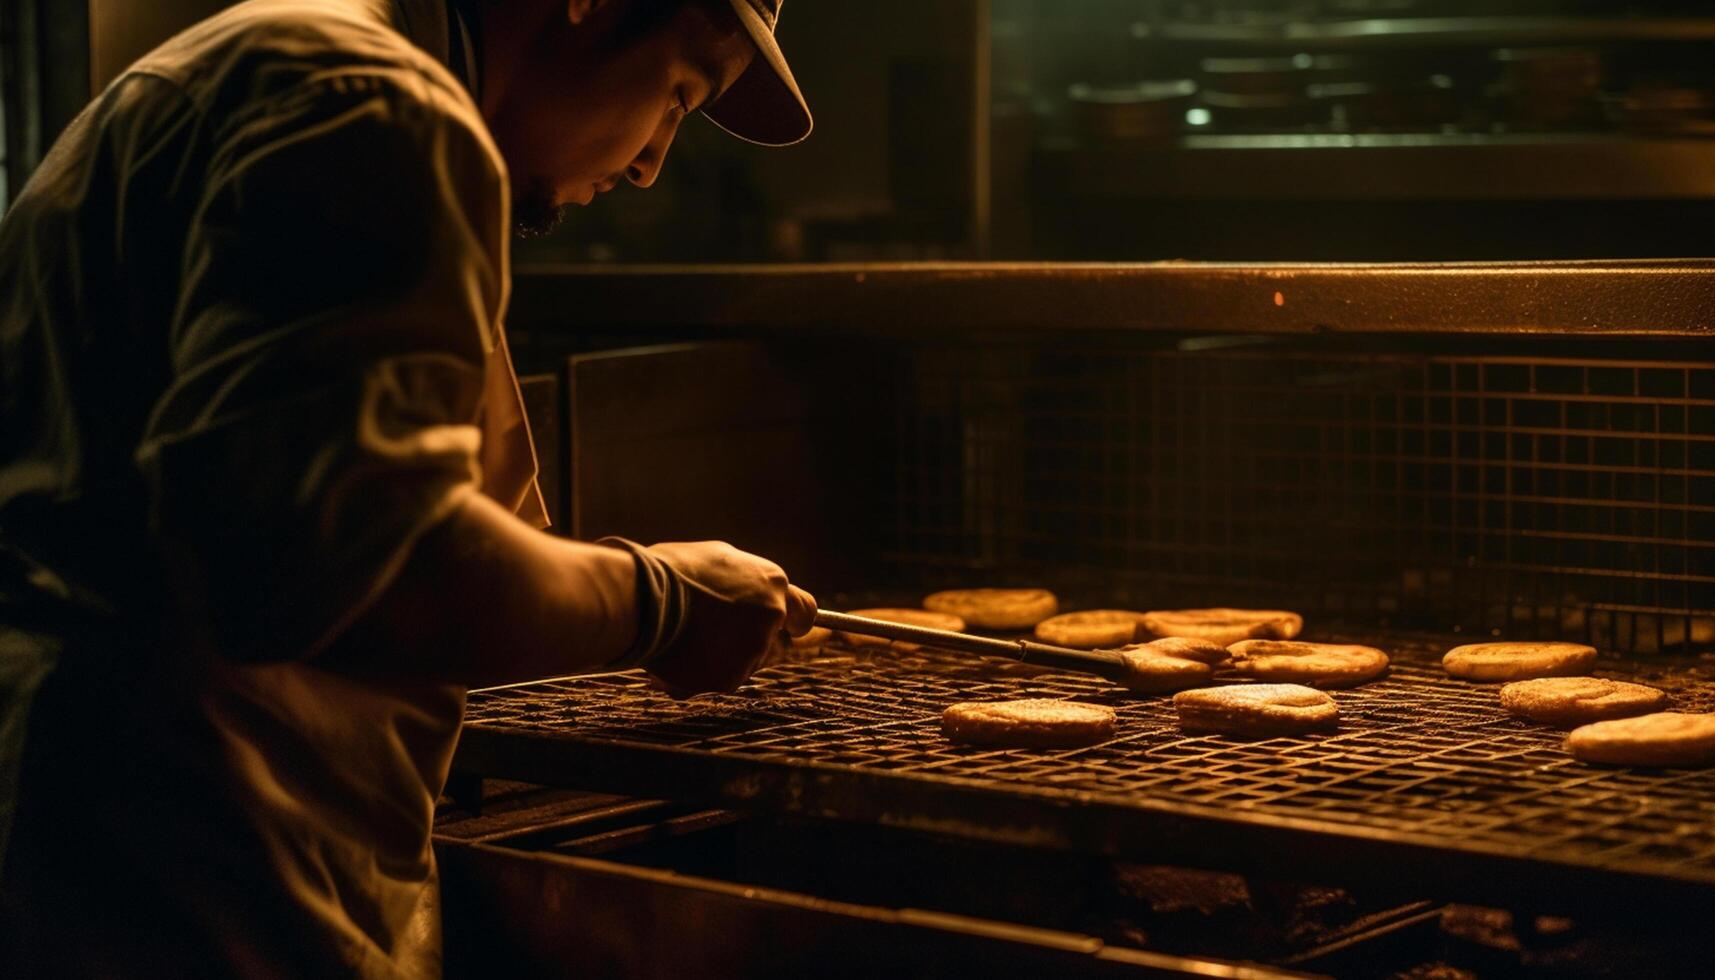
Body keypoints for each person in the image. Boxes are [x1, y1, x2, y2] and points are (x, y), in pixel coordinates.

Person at [0, 0, 816, 974]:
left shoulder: (296, 72)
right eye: (678, 96)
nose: (649, 164)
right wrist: (662, 600)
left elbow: (358, 515)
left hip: (100, 848)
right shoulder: (367, 105)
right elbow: (381, 567)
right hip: (192, 878)